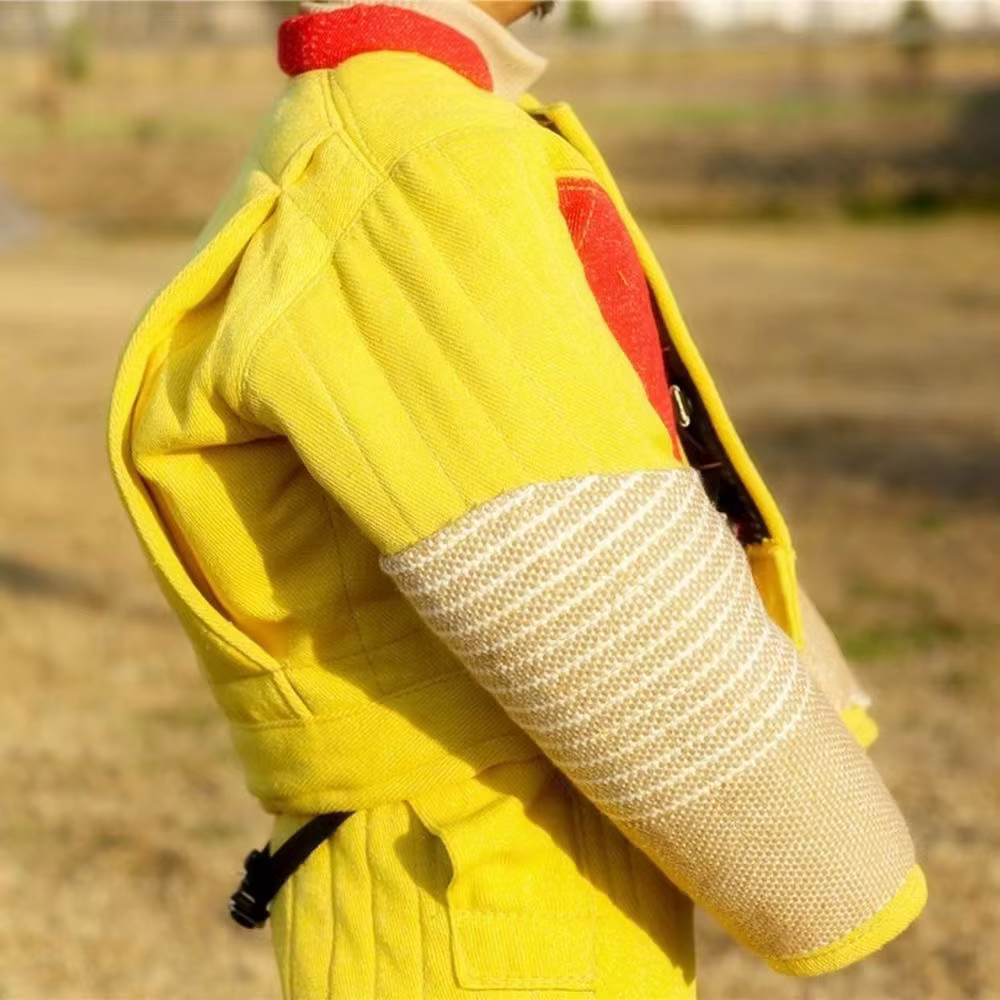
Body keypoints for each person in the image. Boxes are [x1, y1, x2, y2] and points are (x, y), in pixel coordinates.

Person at [106, 1, 926, 996]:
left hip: (497, 833)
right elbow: (577, 560)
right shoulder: (415, 152)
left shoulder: (392, 121)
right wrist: (827, 859)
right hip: (478, 867)